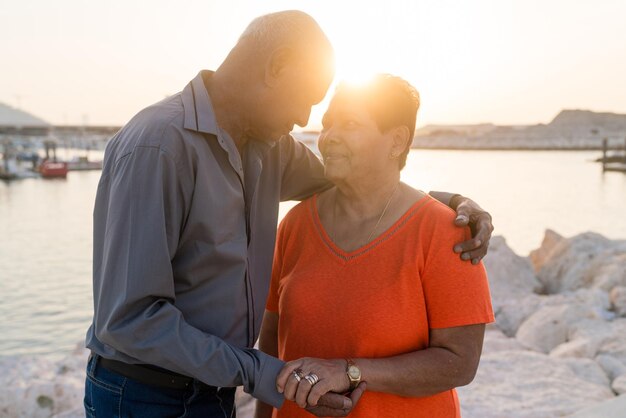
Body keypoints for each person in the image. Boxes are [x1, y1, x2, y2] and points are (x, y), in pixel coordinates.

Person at [84, 10, 493, 418]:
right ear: (277, 67)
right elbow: (129, 319)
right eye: (309, 100)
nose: (304, 119)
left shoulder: (271, 149)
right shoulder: (158, 146)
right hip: (142, 396)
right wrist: (263, 371)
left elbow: (356, 180)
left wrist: (448, 201)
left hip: (210, 395)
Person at [256, 74, 495, 418]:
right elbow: (272, 336)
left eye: (349, 124)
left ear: (397, 140)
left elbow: (460, 363)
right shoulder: (295, 224)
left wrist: (349, 372)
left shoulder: (446, 232)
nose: (329, 137)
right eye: (328, 124)